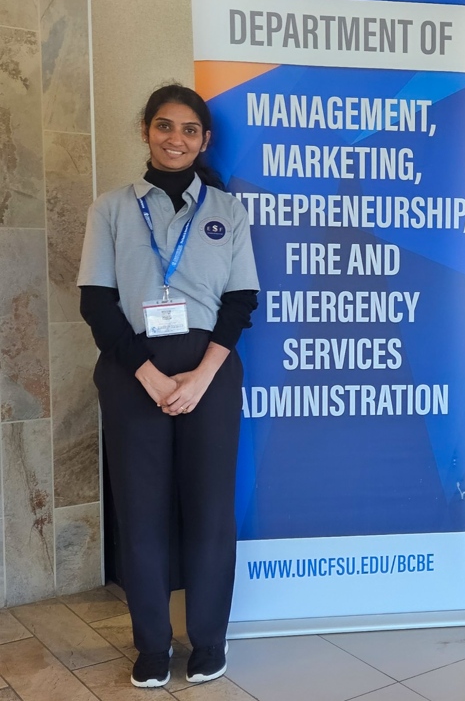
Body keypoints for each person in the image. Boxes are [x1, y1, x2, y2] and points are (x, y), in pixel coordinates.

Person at [78, 84, 259, 686]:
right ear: (145, 131)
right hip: (134, 371)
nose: (175, 138)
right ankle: (153, 645)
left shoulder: (228, 211)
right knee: (142, 511)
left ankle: (209, 639)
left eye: (188, 129)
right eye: (164, 126)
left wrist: (203, 375)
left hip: (209, 370)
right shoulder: (110, 208)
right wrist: (151, 376)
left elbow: (240, 303)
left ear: (204, 139)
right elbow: (98, 304)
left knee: (211, 509)